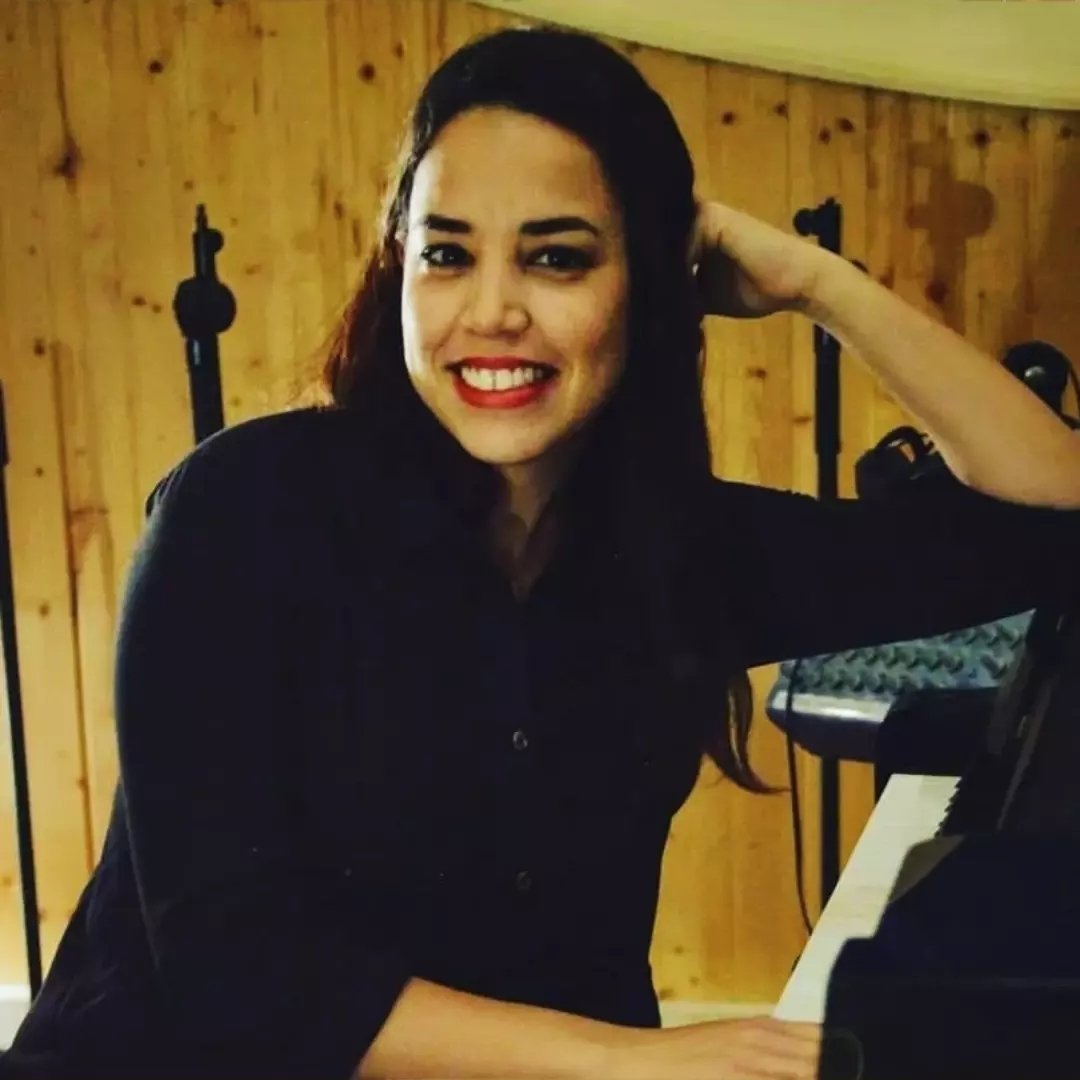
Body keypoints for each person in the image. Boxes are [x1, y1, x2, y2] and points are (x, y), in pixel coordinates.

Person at [3, 24, 1080, 1080]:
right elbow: (238, 981)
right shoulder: (242, 513)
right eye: (446, 255)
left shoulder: (680, 543)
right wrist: (634, 1061)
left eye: (556, 258)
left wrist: (817, 283)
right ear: (399, 270)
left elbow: (1048, 522)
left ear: (647, 283)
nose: (491, 312)